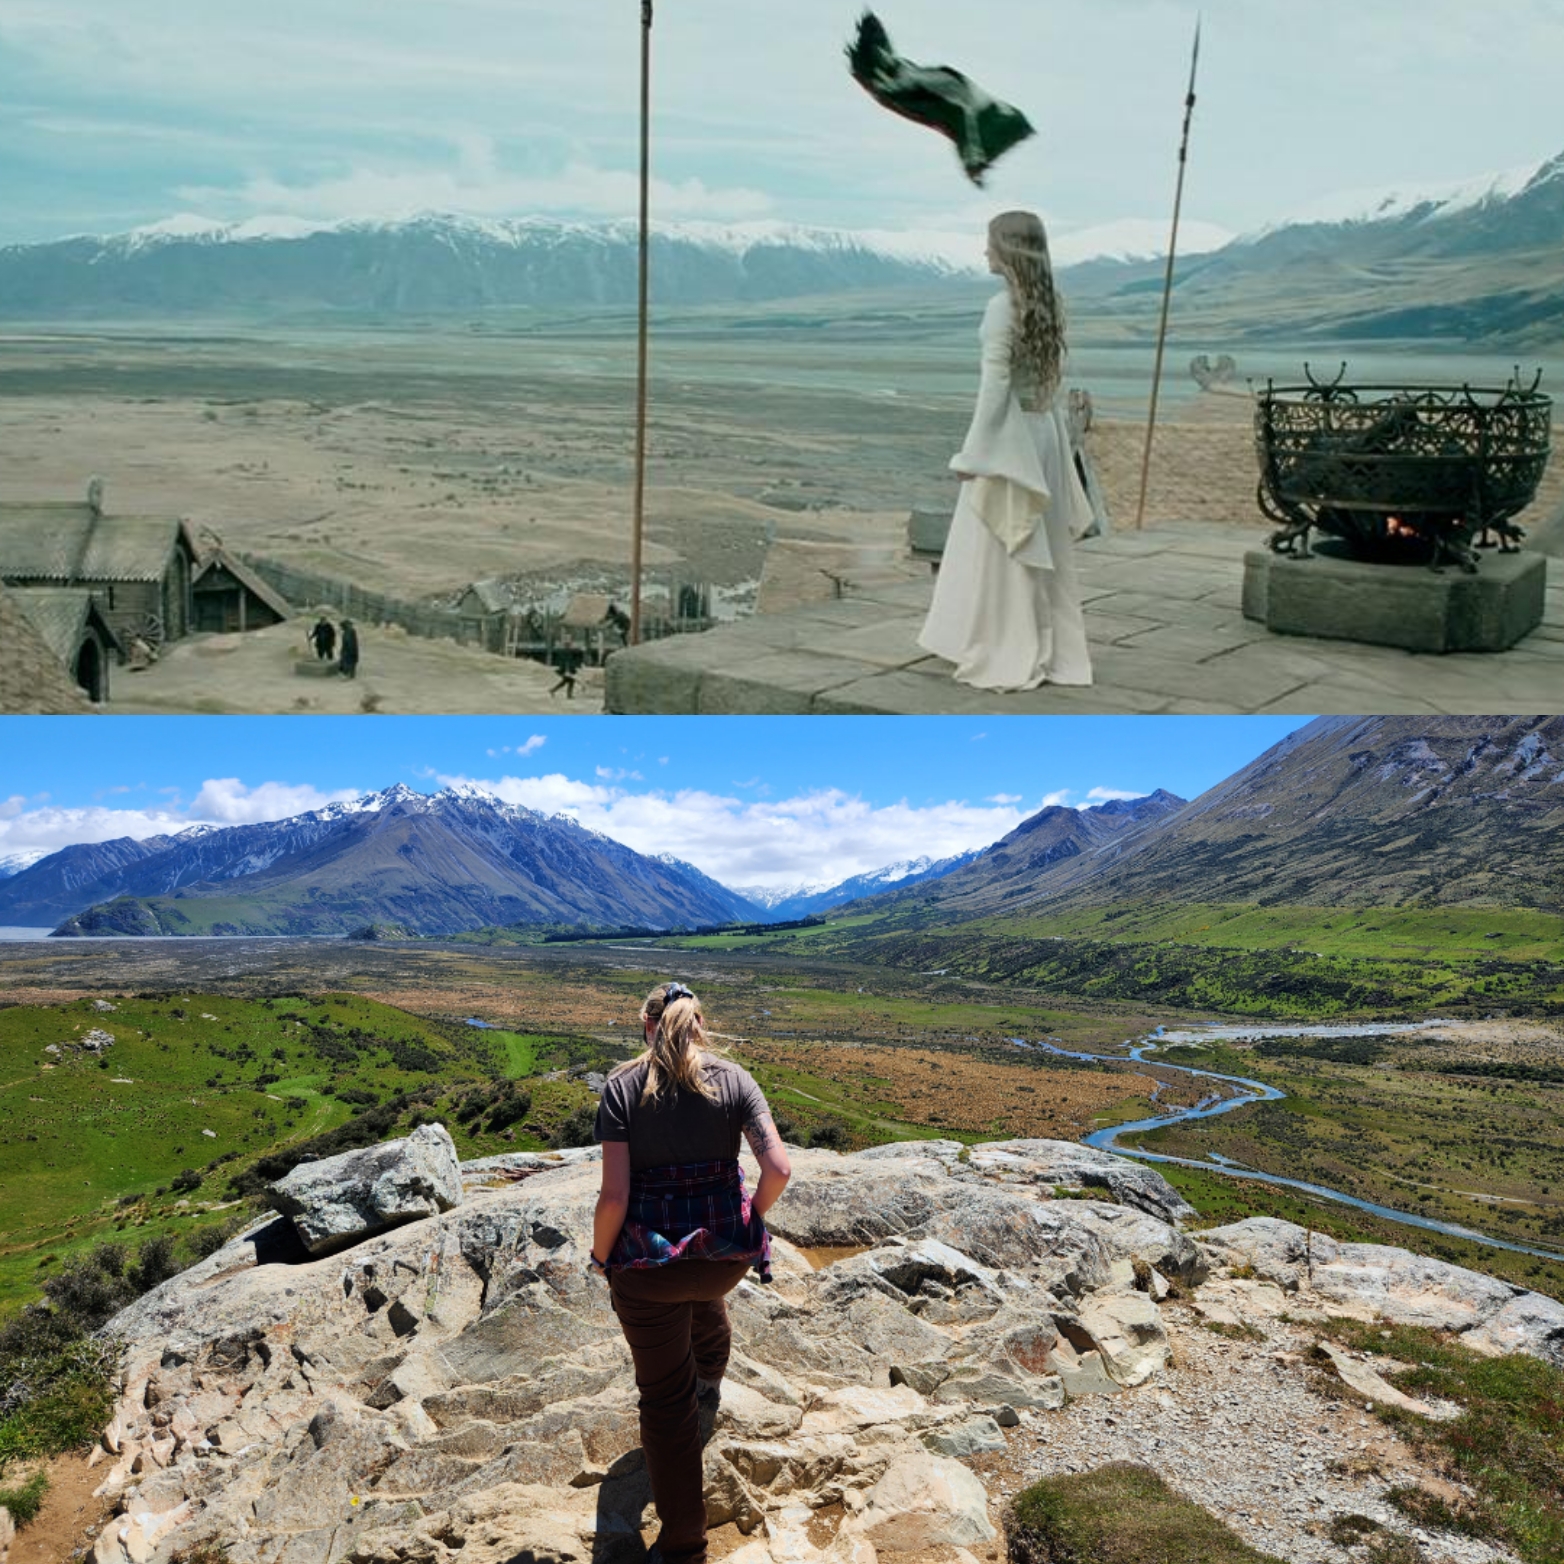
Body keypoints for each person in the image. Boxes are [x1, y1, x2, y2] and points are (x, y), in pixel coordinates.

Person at [591, 983, 791, 1564]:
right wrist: (745, 1222)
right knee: (702, 1283)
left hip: (652, 1271)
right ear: (699, 1025)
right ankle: (711, 1377)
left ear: (646, 1025)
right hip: (724, 1261)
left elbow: (614, 1199)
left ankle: (684, 1546)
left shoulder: (623, 1087)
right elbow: (777, 1167)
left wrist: (603, 1259)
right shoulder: (736, 1080)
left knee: (663, 1405)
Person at [918, 209, 1094, 690]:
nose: (984, 251)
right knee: (1039, 546)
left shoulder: (1002, 307)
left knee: (999, 547)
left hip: (1011, 440)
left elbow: (994, 388)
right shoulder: (1051, 301)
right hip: (1044, 435)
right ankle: (1043, 644)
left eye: (990, 242)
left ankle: (1003, 645)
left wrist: (971, 456)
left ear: (1009, 249)